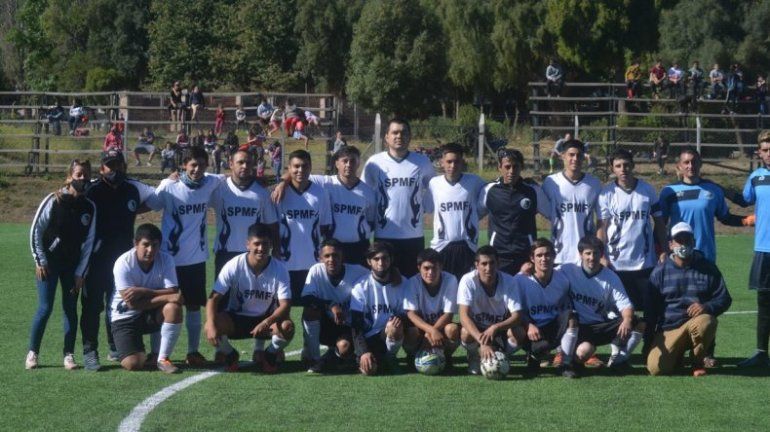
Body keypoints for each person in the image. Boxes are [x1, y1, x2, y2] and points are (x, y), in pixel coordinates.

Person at [80, 149, 162, 371]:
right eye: (109, 165)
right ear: (101, 168)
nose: (114, 169)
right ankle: (90, 351)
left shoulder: (133, 187)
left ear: (124, 166)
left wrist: (170, 180)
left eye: (118, 164)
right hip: (96, 259)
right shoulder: (92, 189)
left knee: (117, 304)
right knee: (92, 306)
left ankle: (114, 346)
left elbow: (158, 199)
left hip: (125, 261)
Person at [27, 160, 96, 370]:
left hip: (72, 267)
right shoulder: (53, 200)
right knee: (45, 308)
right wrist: (40, 260)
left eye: (85, 175)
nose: (82, 178)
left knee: (70, 309)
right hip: (49, 265)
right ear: (69, 177)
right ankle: (33, 353)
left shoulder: (89, 207)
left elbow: (89, 244)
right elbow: (36, 231)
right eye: (78, 174)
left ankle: (68, 355)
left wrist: (80, 272)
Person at [155, 147, 221, 366]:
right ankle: (158, 353)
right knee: (164, 306)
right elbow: (151, 204)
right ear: (184, 165)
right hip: (168, 260)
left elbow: (236, 178)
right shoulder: (169, 186)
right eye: (193, 165)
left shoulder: (210, 183)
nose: (197, 169)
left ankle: (192, 352)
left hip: (195, 259)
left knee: (194, 305)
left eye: (201, 165)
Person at [206, 224, 294, 373]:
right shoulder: (234, 265)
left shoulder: (280, 268)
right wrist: (211, 324)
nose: (261, 248)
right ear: (248, 244)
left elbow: (285, 305)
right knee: (210, 325)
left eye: (265, 244)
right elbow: (213, 298)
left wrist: (266, 322)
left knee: (287, 327)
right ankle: (230, 354)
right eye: (256, 244)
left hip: (266, 319)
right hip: (237, 319)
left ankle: (270, 354)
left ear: (271, 245)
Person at [646, 222, 732, 377]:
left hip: (696, 323)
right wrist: (648, 343)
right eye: (679, 240)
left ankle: (697, 361)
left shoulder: (708, 268)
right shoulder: (660, 272)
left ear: (694, 242)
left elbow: (725, 298)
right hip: (669, 329)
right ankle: (676, 355)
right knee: (656, 369)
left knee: (706, 321)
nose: (684, 244)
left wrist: (707, 307)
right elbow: (651, 310)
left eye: (687, 239)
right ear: (671, 244)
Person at [273, 145, 376, 266]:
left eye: (353, 161)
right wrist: (282, 184)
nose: (348, 165)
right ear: (337, 163)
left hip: (358, 247)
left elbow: (371, 221)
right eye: (345, 161)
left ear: (359, 163)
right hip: (332, 248)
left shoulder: (368, 192)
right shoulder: (325, 182)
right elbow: (295, 174)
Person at [362, 118, 435, 277]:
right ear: (386, 137)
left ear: (409, 136)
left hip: (413, 237)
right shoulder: (375, 163)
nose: (399, 136)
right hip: (384, 236)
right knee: (385, 284)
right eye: (394, 132)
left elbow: (434, 187)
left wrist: (425, 208)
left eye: (403, 132)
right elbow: (364, 194)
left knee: (412, 285)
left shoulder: (422, 161)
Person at [597, 149, 667, 314]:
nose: (623, 169)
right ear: (613, 169)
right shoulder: (606, 194)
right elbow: (601, 228)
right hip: (616, 265)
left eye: (626, 165)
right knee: (619, 314)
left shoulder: (647, 190)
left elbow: (660, 223)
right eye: (618, 166)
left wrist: (663, 249)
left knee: (650, 311)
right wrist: (601, 256)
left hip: (645, 263)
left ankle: (651, 340)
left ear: (633, 166)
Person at [561, 236, 645, 369]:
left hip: (600, 326)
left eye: (596, 253)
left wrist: (627, 319)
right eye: (588, 253)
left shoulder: (610, 277)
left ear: (602, 254)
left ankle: (619, 359)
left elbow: (625, 304)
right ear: (580, 254)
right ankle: (570, 360)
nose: (592, 257)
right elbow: (547, 274)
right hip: (578, 327)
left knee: (637, 323)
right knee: (583, 353)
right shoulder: (567, 270)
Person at [110, 224, 183, 373]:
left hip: (148, 314)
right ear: (135, 244)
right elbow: (132, 304)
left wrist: (143, 291)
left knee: (173, 308)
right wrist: (165, 296)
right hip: (124, 318)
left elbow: (173, 290)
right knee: (133, 364)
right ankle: (133, 352)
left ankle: (162, 359)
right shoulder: (123, 263)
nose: (150, 250)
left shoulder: (166, 259)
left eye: (155, 245)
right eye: (146, 245)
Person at [659, 147, 749, 264]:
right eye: (686, 162)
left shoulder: (713, 190)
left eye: (694, 162)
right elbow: (660, 224)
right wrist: (661, 250)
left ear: (700, 164)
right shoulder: (669, 192)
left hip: (705, 256)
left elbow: (726, 218)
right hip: (678, 256)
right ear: (679, 166)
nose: (690, 166)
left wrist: (748, 220)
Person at [511, 239, 579, 378]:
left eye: (548, 254)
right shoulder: (520, 280)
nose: (544, 259)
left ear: (554, 256)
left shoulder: (563, 279)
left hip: (552, 327)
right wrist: (528, 325)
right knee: (515, 330)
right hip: (530, 329)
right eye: (539, 255)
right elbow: (513, 310)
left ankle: (565, 364)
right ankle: (532, 356)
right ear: (532, 258)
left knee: (572, 317)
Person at [730, 132, 770, 367]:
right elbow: (744, 201)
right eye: (765, 149)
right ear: (759, 152)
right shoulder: (756, 177)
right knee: (764, 302)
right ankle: (761, 353)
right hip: (764, 249)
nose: (769, 153)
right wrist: (716, 188)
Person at [300, 239, 369, 373]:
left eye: (335, 255)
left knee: (344, 348)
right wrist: (330, 305)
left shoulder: (358, 272)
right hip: (325, 324)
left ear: (342, 256)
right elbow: (306, 299)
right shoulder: (316, 271)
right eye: (327, 256)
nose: (331, 259)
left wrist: (395, 272)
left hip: (348, 325)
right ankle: (315, 358)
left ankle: (334, 355)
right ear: (320, 258)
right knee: (310, 310)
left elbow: (377, 276)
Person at [274, 150, 333, 305]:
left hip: (312, 264)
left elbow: (325, 228)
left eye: (305, 166)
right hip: (284, 263)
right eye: (296, 166)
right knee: (281, 310)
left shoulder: (320, 193)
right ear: (288, 168)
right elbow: (271, 228)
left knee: (312, 309)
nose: (300, 170)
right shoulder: (279, 194)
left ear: (311, 167)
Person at [480, 148, 546, 276]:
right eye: (507, 166)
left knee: (525, 294)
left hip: (525, 256)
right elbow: (475, 215)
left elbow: (551, 214)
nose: (511, 171)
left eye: (515, 167)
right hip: (499, 256)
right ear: (500, 167)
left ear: (521, 167)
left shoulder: (533, 191)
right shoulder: (489, 190)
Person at [426, 143, 486, 281]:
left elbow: (491, 194)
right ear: (441, 162)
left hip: (467, 246)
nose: (452, 166)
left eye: (456, 161)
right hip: (442, 247)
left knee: (467, 290)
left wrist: (477, 215)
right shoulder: (434, 184)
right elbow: (427, 207)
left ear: (462, 162)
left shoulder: (474, 181)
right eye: (449, 161)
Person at [456, 246, 520, 375]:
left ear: (498, 263)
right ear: (476, 265)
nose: (488, 268)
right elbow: (463, 316)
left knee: (519, 332)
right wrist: (482, 342)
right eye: (484, 264)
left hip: (499, 328)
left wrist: (496, 327)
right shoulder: (468, 280)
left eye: (492, 263)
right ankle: (475, 356)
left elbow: (517, 316)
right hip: (477, 329)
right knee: (465, 332)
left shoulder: (509, 281)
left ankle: (501, 354)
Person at [350, 241, 407, 376]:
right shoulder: (360, 287)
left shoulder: (403, 282)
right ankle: (375, 360)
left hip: (391, 333)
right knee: (369, 370)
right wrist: (363, 352)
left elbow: (409, 315)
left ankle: (391, 358)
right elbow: (356, 325)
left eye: (385, 258)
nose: (381, 263)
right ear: (369, 261)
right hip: (369, 338)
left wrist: (397, 321)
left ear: (391, 259)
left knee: (394, 325)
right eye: (376, 259)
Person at [541, 139, 601, 266]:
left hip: (586, 256)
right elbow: (543, 209)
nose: (575, 159)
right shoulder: (551, 182)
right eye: (571, 155)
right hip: (558, 255)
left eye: (579, 155)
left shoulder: (594, 184)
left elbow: (601, 221)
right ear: (563, 156)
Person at [403, 249, 460, 367]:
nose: (431, 272)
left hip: (441, 329)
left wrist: (433, 331)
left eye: (434, 268)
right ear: (419, 267)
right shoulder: (412, 282)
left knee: (452, 329)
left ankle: (445, 356)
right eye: (426, 268)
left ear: (441, 267)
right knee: (411, 332)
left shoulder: (450, 280)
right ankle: (413, 356)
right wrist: (430, 331)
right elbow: (411, 314)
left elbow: (448, 314)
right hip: (421, 330)